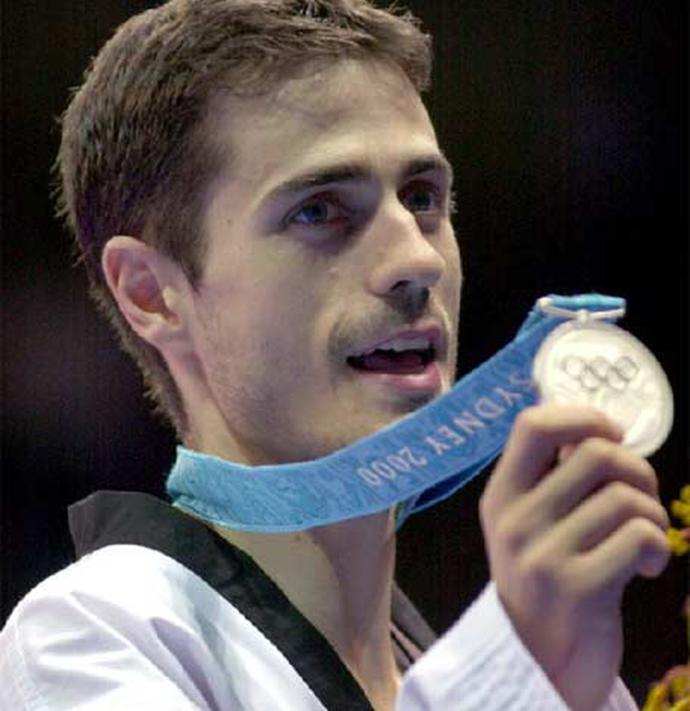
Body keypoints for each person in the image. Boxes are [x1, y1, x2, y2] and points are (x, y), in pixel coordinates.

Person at [0, 1, 671, 709]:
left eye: (422, 197)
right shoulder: (89, 639)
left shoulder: (516, 662)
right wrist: (516, 666)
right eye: (318, 210)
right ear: (153, 295)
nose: (417, 259)